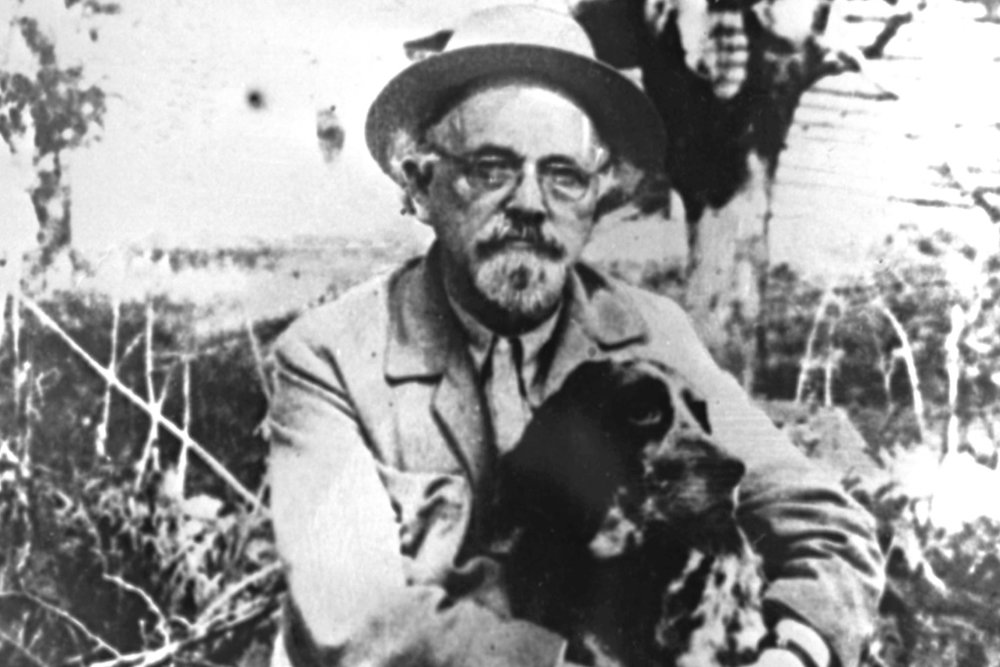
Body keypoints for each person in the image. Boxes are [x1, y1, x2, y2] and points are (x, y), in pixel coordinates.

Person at [266, 6, 884, 667]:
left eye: (564, 175)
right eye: (492, 167)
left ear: (597, 199)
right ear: (422, 186)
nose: (531, 205)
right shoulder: (332, 356)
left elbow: (824, 523)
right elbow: (354, 621)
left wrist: (796, 650)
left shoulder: (650, 333)